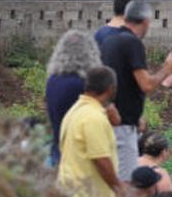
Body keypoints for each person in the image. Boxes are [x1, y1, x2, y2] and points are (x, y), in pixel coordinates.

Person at [101, 0, 172, 181]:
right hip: (122, 128)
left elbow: (120, 84)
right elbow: (146, 84)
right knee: (126, 185)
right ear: (146, 21)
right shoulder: (133, 43)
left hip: (110, 121)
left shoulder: (110, 41)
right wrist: (168, 68)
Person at [57, 66, 124, 197]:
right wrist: (119, 189)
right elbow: (101, 159)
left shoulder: (75, 111)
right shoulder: (93, 118)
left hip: (71, 196)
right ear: (110, 89)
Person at [45, 30, 119, 168]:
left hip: (57, 148)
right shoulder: (84, 84)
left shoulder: (52, 80)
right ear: (91, 53)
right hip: (78, 155)